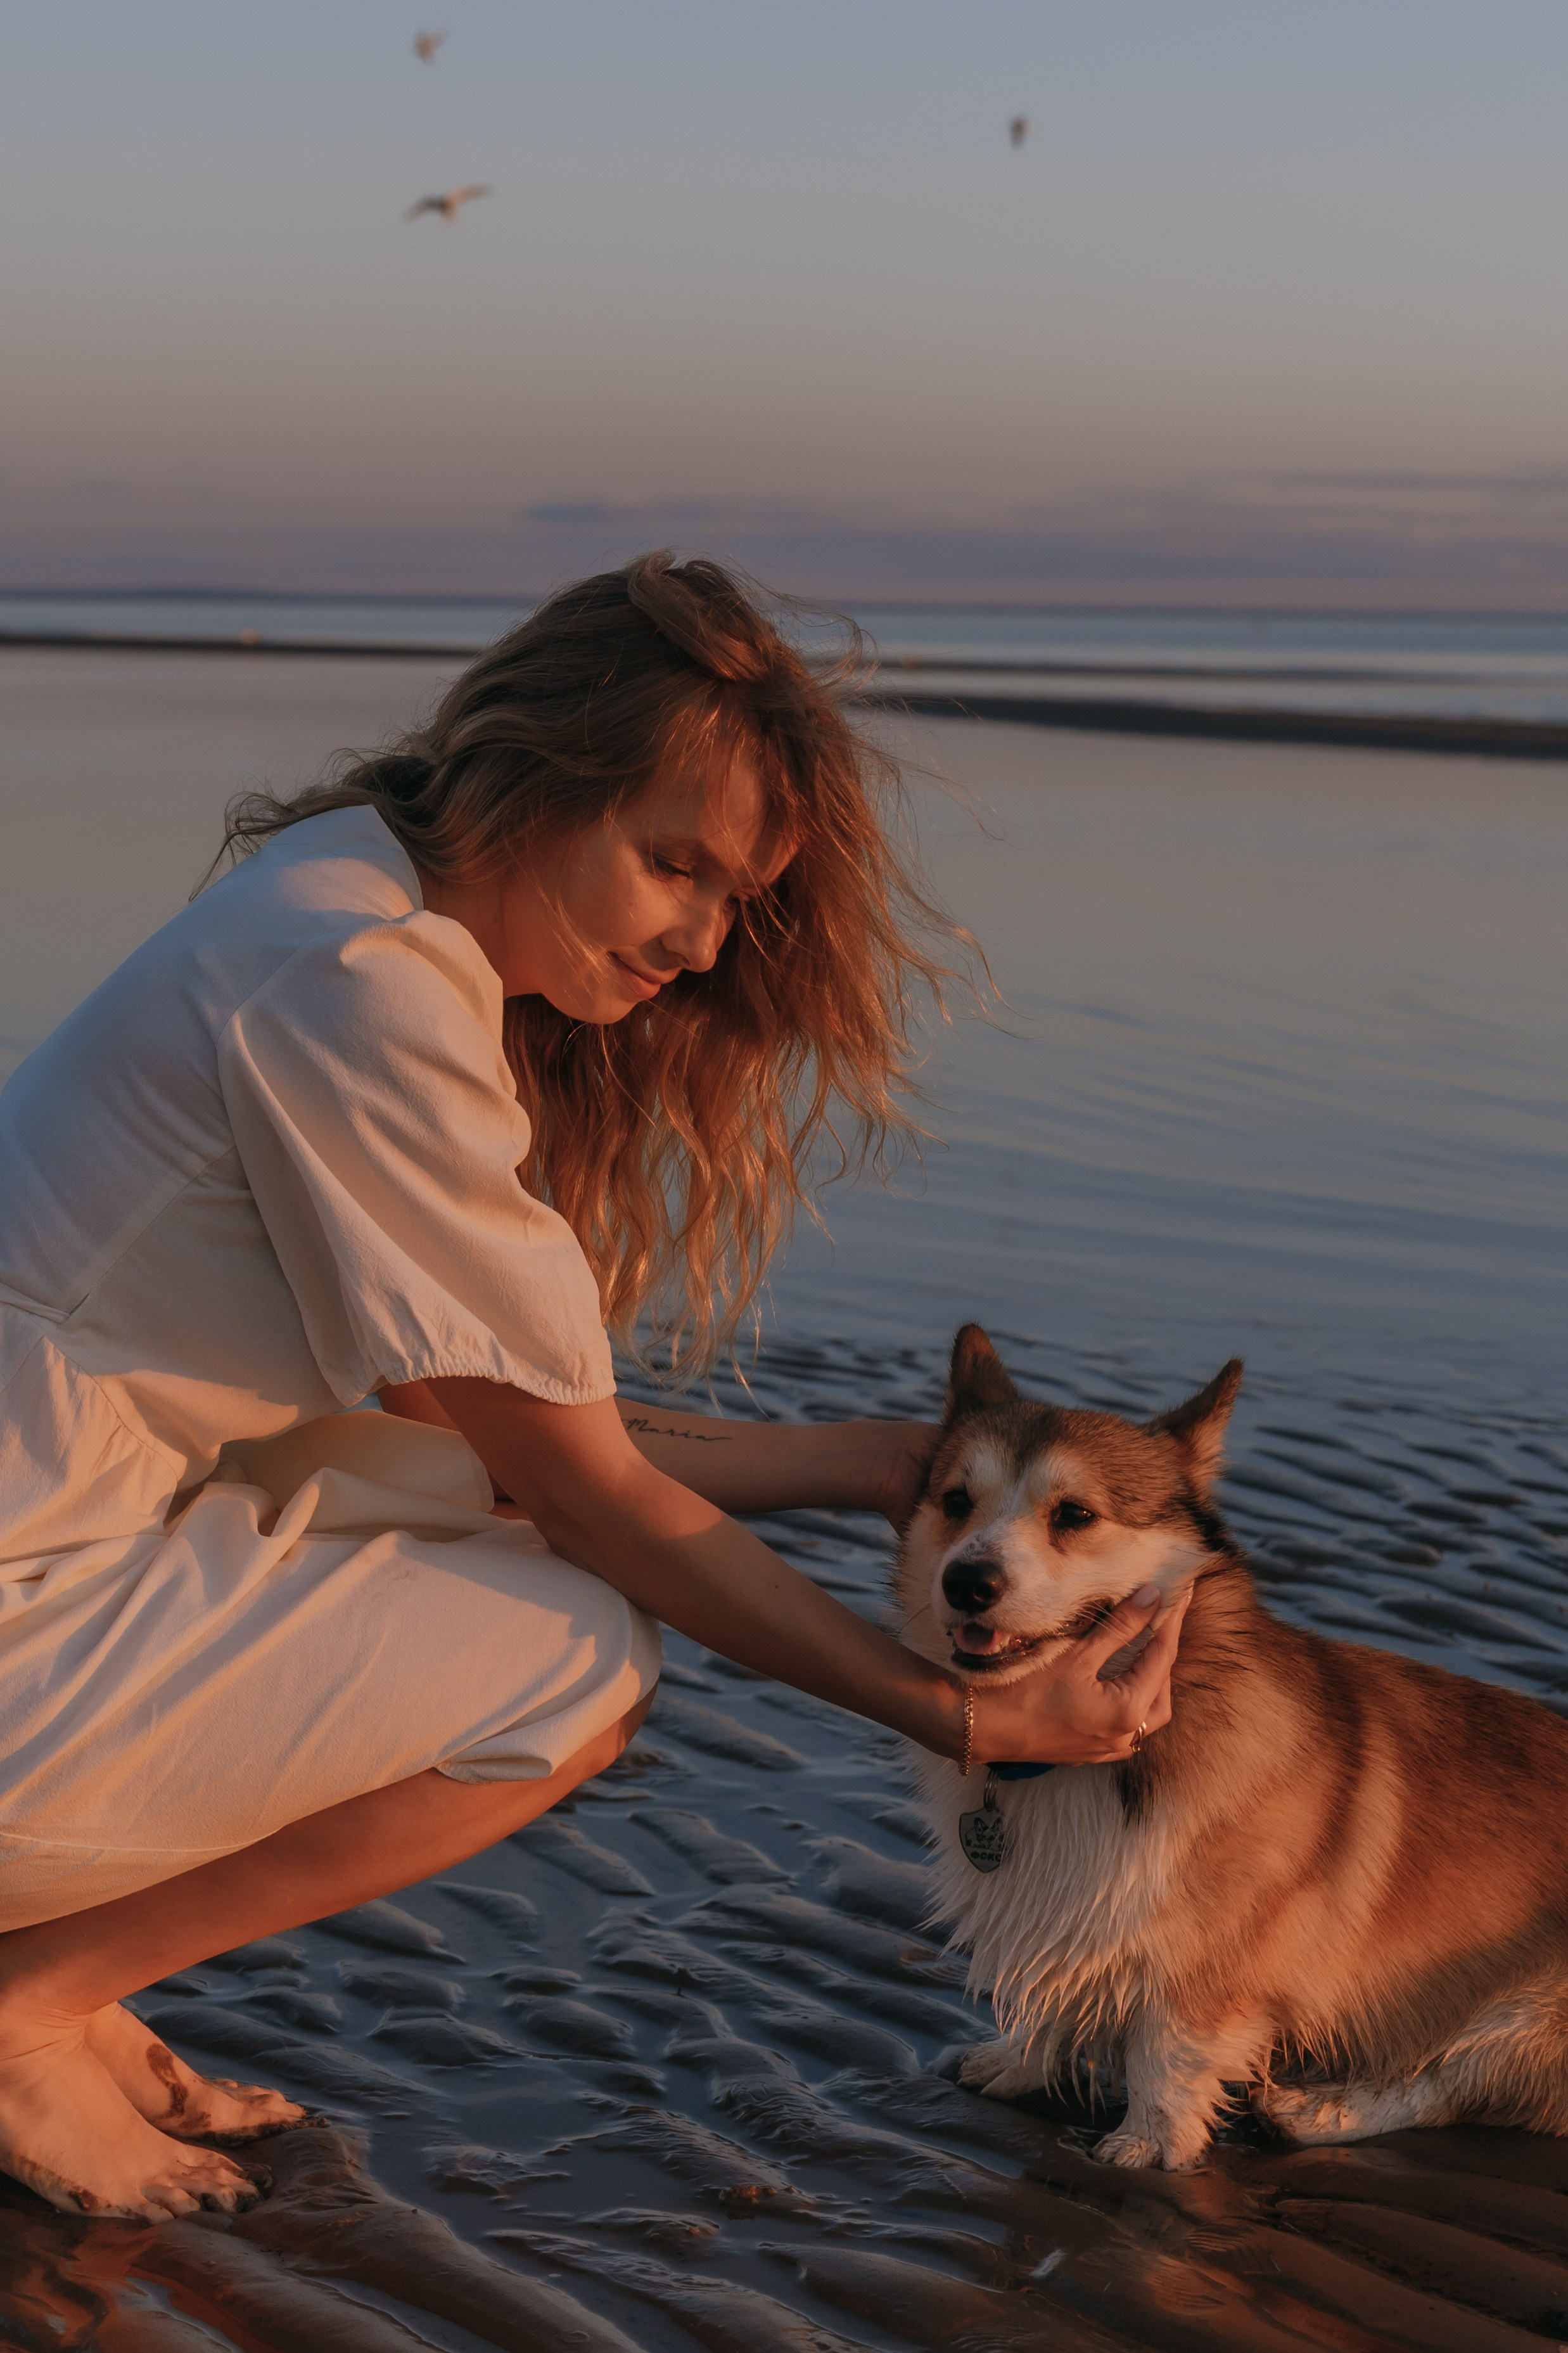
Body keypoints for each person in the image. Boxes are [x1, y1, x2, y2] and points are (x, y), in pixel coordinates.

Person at [0, 555, 1185, 2221]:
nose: (700, 941)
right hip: (26, 1569)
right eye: (672, 861)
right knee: (571, 1663)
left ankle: (52, 1974)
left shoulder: (338, 897)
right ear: (536, 771)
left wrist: (858, 1461)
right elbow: (581, 1491)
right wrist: (971, 1714)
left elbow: (479, 1446)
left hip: (57, 1520)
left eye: (735, 896)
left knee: (468, 1538)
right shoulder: (366, 991)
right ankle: (21, 2004)